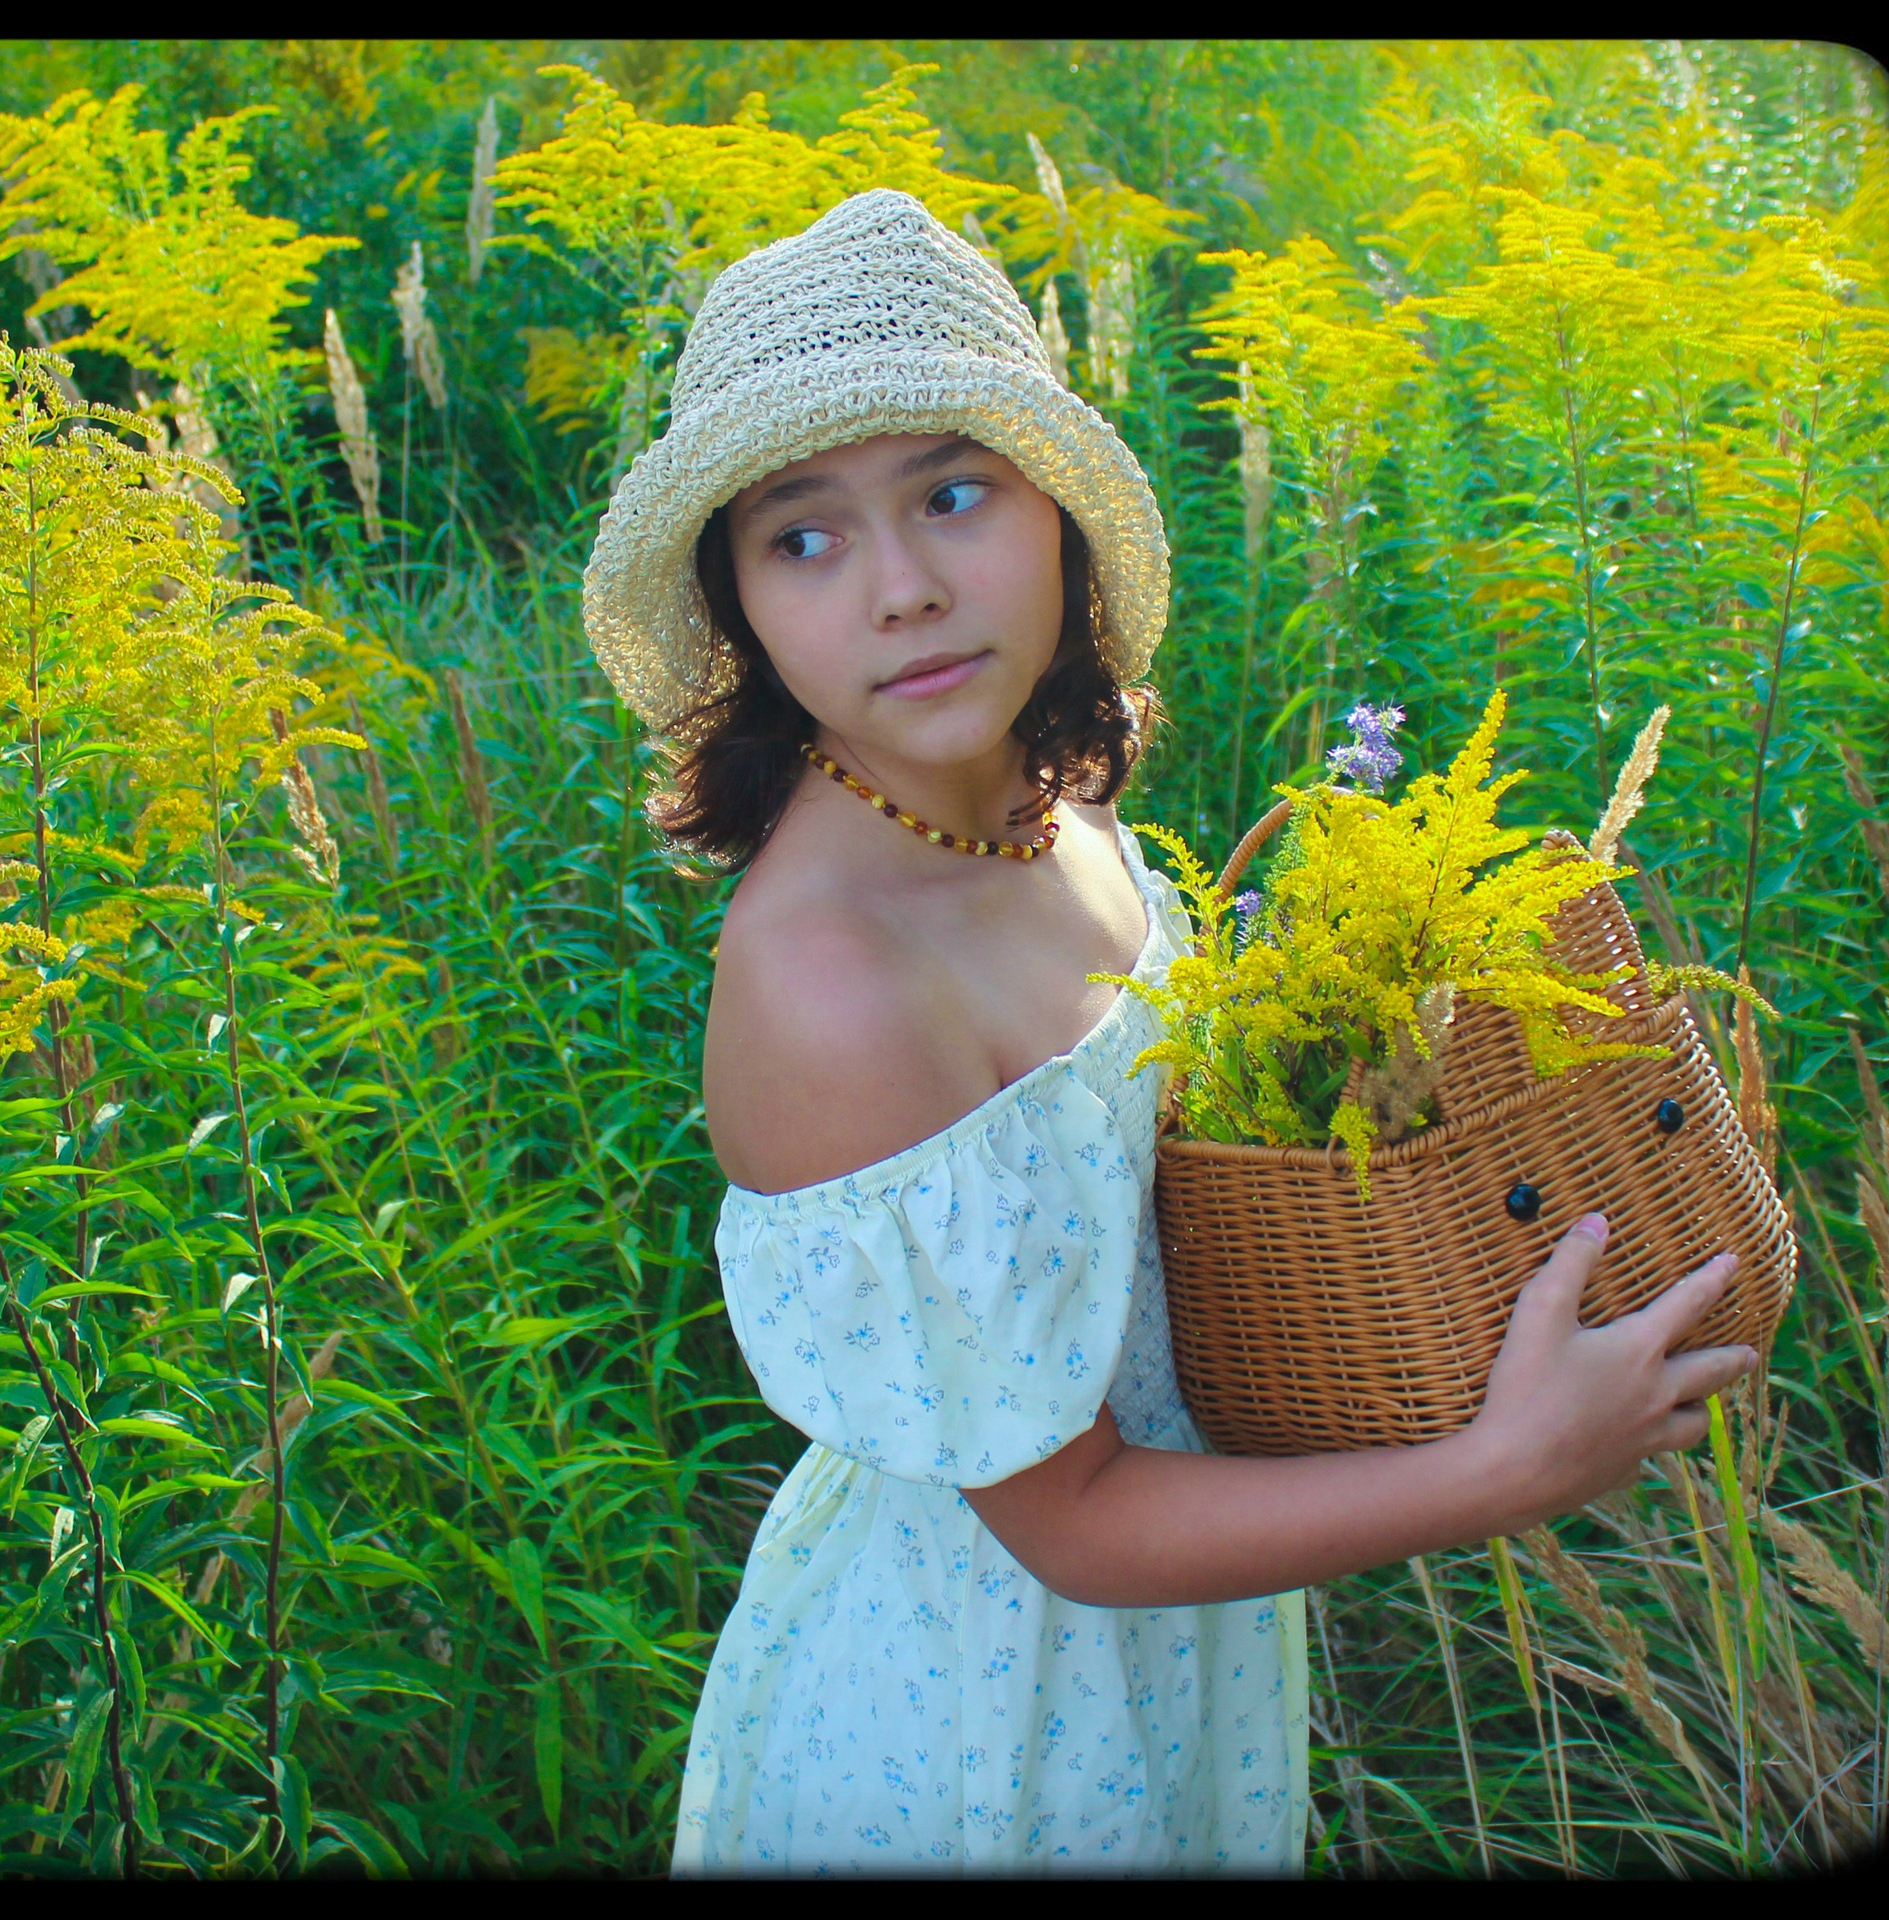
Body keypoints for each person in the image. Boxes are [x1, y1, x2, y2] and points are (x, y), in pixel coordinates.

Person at [578, 189, 1760, 1875]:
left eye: (954, 494)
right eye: (805, 535)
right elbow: (1066, 1518)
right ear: (744, 607)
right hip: (979, 1728)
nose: (901, 589)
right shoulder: (825, 979)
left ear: (1056, 516)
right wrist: (1501, 1471)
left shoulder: (1052, 814)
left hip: (1180, 1653)